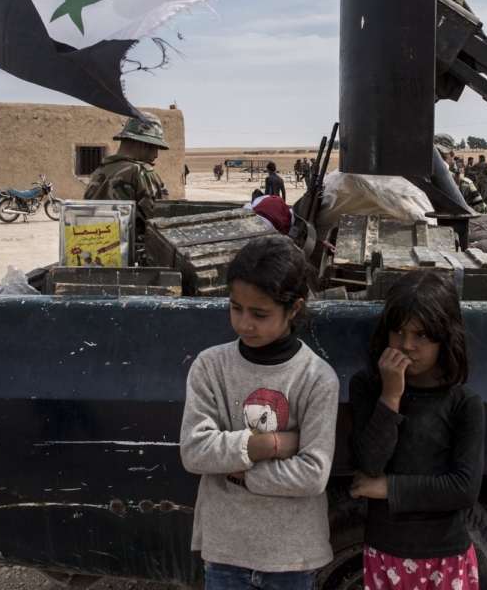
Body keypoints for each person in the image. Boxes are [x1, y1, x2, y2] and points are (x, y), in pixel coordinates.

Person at [179, 236, 339, 590]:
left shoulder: (316, 379)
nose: (244, 323)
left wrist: (238, 474)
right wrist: (271, 444)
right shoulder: (210, 367)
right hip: (225, 553)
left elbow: (312, 475)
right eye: (236, 308)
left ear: (294, 308)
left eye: (259, 314)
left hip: (293, 557)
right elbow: (193, 451)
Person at [349, 271, 484, 590]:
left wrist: (387, 488)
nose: (406, 345)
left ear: (444, 337)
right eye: (398, 331)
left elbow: (463, 489)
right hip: (384, 553)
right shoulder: (368, 388)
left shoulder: (464, 404)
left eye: (421, 335)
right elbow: (369, 463)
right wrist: (391, 394)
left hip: (444, 557)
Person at [84, 113, 169, 253]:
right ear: (144, 143)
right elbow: (162, 221)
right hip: (132, 257)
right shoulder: (141, 172)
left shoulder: (98, 172)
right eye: (155, 147)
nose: (156, 154)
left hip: (100, 252)